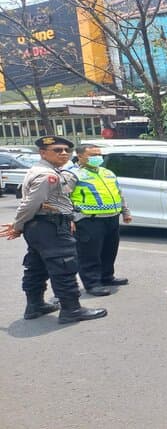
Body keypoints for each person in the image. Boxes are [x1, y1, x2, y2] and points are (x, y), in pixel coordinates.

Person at [0, 136, 107, 323]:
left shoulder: (48, 170)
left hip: (42, 226)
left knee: (37, 266)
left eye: (66, 150)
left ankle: (35, 305)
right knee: (64, 266)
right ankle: (72, 310)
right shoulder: (46, 175)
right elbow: (29, 204)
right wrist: (17, 226)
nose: (64, 153)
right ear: (43, 153)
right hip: (50, 226)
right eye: (57, 150)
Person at [68, 144, 131, 296]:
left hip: (111, 218)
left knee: (109, 250)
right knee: (90, 254)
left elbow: (118, 193)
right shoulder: (72, 174)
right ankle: (92, 283)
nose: (97, 157)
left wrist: (125, 212)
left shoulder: (107, 172)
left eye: (99, 154)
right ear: (80, 156)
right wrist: (69, 218)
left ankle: (107, 277)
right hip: (89, 220)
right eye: (93, 155)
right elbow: (63, 197)